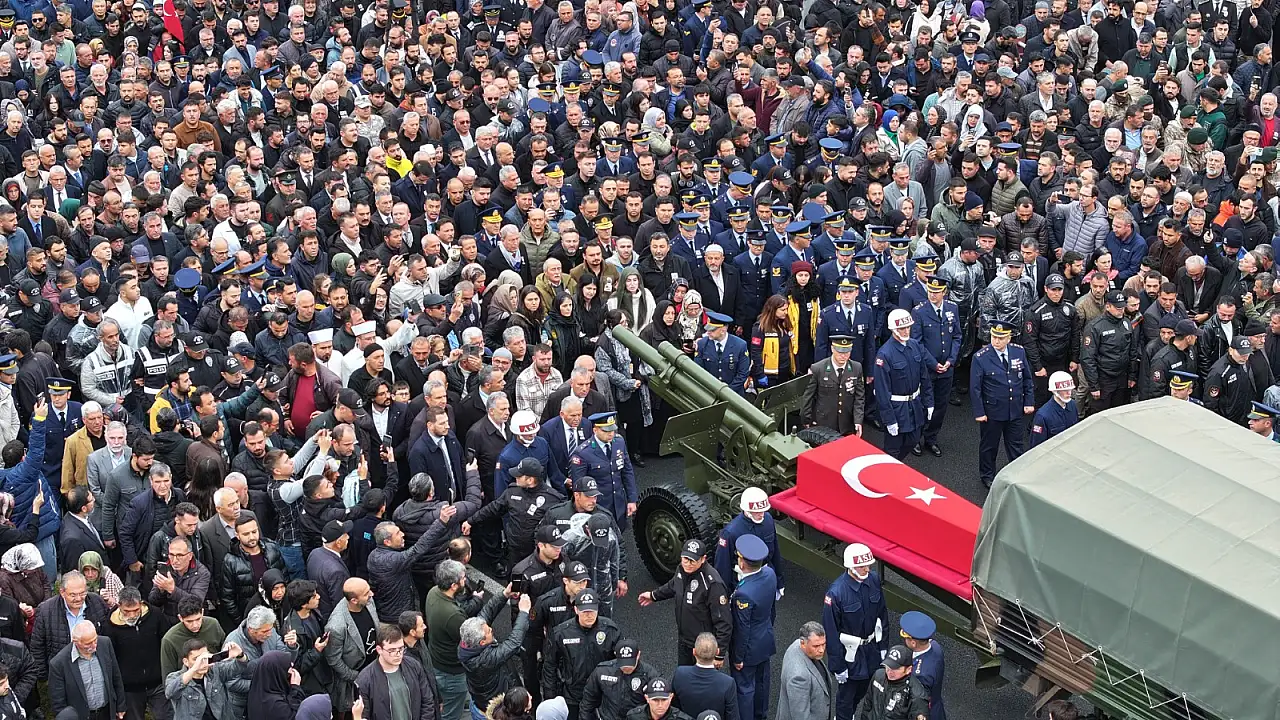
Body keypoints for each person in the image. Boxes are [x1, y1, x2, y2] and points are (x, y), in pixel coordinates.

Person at [637, 539, 733, 667]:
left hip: (703, 646)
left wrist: (719, 655)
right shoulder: (682, 569)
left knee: (702, 684)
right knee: (683, 676)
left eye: (693, 560)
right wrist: (654, 595)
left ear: (703, 559)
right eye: (685, 559)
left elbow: (724, 622)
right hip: (684, 640)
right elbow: (674, 585)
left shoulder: (712, 584)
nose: (688, 564)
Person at [824, 543, 890, 720]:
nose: (867, 569)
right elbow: (831, 632)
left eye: (868, 565)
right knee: (846, 699)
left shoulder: (874, 580)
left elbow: (882, 614)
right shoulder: (836, 593)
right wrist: (838, 666)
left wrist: (883, 645)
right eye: (862, 566)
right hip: (850, 656)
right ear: (851, 566)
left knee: (865, 689)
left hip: (871, 651)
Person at [969, 321, 1036, 487]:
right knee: (989, 446)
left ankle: (1017, 475)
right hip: (992, 411)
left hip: (1015, 410)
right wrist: (979, 412)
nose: (996, 341)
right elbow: (975, 388)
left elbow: (1027, 379)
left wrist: (1029, 401)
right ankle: (987, 475)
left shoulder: (1019, 352)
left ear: (1009, 338)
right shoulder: (981, 357)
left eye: (1001, 338)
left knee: (1016, 445)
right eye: (994, 337)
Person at [540, 589, 622, 719]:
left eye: (592, 611)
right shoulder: (561, 633)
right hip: (574, 695)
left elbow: (620, 662)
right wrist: (550, 697)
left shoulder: (610, 629)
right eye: (585, 611)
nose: (589, 615)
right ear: (576, 610)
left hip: (602, 693)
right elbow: (550, 666)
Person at [873, 310, 936, 460]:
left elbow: (924, 377)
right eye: (902, 328)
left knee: (913, 440)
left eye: (908, 327)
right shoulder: (884, 354)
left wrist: (929, 402)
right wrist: (890, 420)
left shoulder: (915, 346)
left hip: (915, 405)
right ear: (893, 330)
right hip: (897, 409)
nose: (906, 331)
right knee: (892, 451)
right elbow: (882, 392)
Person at [909, 277, 962, 456]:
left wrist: (951, 360)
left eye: (937, 292)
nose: (933, 294)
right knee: (923, 404)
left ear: (944, 293)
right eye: (930, 291)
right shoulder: (919, 312)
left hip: (947, 368)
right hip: (927, 368)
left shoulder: (952, 308)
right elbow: (917, 342)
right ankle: (916, 438)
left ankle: (931, 438)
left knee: (940, 406)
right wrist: (933, 363)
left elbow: (956, 336)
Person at [458, 589, 533, 715]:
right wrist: (524, 612)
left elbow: (486, 614)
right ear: (482, 642)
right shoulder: (483, 661)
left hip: (480, 701)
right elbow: (513, 643)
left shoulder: (467, 642)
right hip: (494, 711)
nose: (491, 629)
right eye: (488, 632)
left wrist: (504, 594)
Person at [728, 534, 776, 720]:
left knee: (745, 689)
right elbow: (771, 608)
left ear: (742, 563)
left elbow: (742, 628)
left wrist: (738, 657)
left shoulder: (743, 594)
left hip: (748, 649)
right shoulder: (770, 574)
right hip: (765, 639)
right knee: (762, 683)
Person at [568, 412, 637, 532]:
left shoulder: (619, 442)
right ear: (595, 430)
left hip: (619, 504)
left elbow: (627, 471)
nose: (611, 434)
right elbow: (578, 487)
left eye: (613, 430)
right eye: (606, 431)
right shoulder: (582, 453)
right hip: (597, 507)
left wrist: (632, 499)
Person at [712, 488, 785, 600]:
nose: (761, 515)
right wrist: (724, 595)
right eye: (757, 512)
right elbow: (723, 565)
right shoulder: (731, 532)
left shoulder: (768, 520)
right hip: (742, 581)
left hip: (765, 576)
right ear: (747, 510)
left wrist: (779, 581)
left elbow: (775, 552)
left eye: (763, 511)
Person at [48, 620, 128, 720]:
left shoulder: (105, 643)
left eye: (95, 640)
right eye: (88, 643)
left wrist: (120, 705)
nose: (94, 645)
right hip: (81, 716)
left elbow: (116, 676)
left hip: (107, 712)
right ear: (76, 642)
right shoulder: (58, 663)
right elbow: (58, 701)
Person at [355, 624, 437, 720]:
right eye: (392, 650)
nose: (398, 654)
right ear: (379, 650)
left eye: (401, 649)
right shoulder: (365, 679)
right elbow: (364, 715)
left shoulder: (414, 665)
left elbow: (427, 700)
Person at [1080, 290, 1139, 413]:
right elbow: (1088, 358)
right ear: (1108, 306)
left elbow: (1132, 351)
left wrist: (1132, 375)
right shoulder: (1095, 327)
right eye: (1117, 308)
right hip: (1103, 379)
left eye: (1123, 307)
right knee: (1100, 414)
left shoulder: (1126, 323)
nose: (1121, 310)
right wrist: (1094, 385)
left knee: (1119, 413)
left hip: (1122, 378)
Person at [164, 638, 247, 720]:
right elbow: (170, 693)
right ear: (186, 661)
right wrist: (194, 669)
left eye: (204, 658)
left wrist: (240, 655)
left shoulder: (215, 670)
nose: (203, 663)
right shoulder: (174, 677)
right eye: (196, 659)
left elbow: (238, 668)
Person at [800, 335, 866, 436]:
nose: (843, 356)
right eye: (840, 352)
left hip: (846, 425)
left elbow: (859, 397)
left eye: (847, 352)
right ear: (832, 349)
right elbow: (808, 398)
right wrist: (806, 420)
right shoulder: (818, 369)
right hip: (823, 425)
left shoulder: (856, 368)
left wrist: (858, 421)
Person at [583, 638, 662, 720]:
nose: (627, 668)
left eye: (630, 663)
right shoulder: (602, 671)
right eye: (623, 664)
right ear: (615, 655)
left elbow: (659, 706)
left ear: (638, 655)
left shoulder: (650, 675)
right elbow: (588, 701)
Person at [670, 633, 739, 720]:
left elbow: (673, 707)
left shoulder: (680, 674)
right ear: (717, 652)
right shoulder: (728, 683)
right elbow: (733, 716)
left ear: (694, 652)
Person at [853, 646, 929, 720]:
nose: (889, 671)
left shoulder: (917, 695)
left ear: (909, 669)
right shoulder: (878, 675)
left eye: (895, 668)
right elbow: (867, 704)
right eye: (888, 666)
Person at [778, 622, 833, 720]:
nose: (821, 650)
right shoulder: (799, 676)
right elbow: (801, 716)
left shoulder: (796, 645)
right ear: (803, 643)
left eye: (823, 644)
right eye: (816, 646)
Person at [898, 612, 945, 720]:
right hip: (936, 706)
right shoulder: (935, 646)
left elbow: (917, 702)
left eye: (906, 638)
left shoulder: (920, 674)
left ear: (913, 643)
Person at [693, 311, 751, 395]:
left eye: (712, 330)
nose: (708, 332)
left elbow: (742, 373)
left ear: (723, 330)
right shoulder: (702, 344)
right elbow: (698, 370)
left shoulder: (740, 345)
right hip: (710, 393)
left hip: (734, 394)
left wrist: (727, 392)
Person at [1029, 372, 1081, 449]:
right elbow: (1036, 447)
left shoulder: (1073, 405)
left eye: (1070, 389)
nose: (1069, 393)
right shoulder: (1043, 416)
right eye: (1064, 390)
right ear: (1055, 391)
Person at [623, 678, 692, 720]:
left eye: (664, 700)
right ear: (647, 698)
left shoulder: (682, 719)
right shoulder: (633, 717)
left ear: (671, 697)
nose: (660, 705)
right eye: (655, 700)